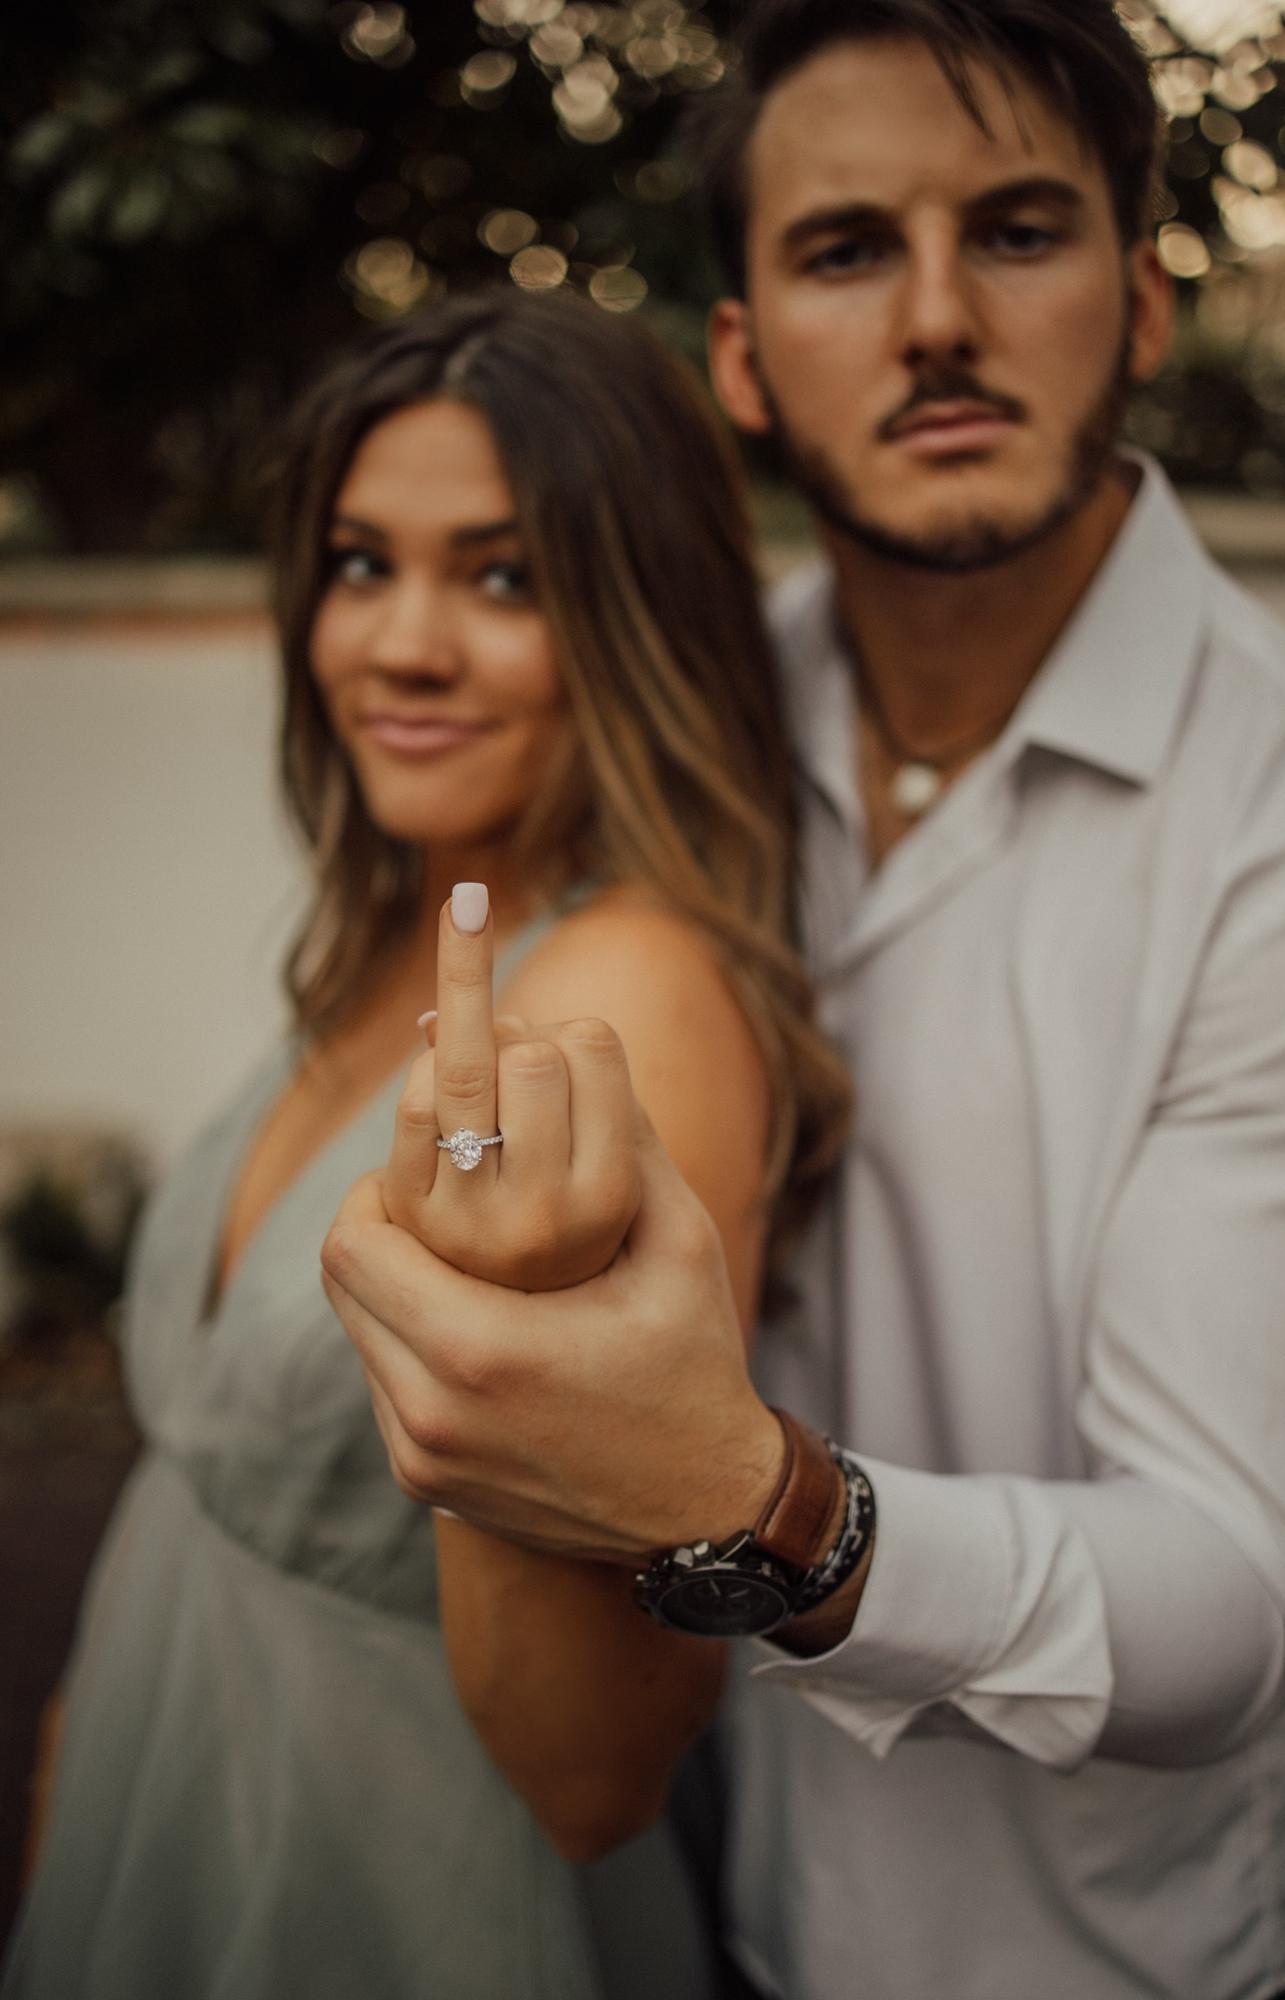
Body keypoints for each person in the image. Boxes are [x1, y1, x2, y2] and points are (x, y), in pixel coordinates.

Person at [320, 4, 1285, 1998]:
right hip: (687, 1890)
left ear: (1142, 302)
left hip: (1084, 1957)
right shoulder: (689, 716)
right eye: (849, 249)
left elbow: (1244, 1608)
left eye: (1018, 231)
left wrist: (756, 1501)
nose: (937, 319)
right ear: (743, 357)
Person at [2, 287, 849, 1999]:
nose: (401, 644)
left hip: (394, 1896)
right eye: (359, 563)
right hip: (161, 1818)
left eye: (503, 577)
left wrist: (517, 1345)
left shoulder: (622, 1000)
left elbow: (594, 1776)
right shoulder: (409, 924)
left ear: (636, 617)